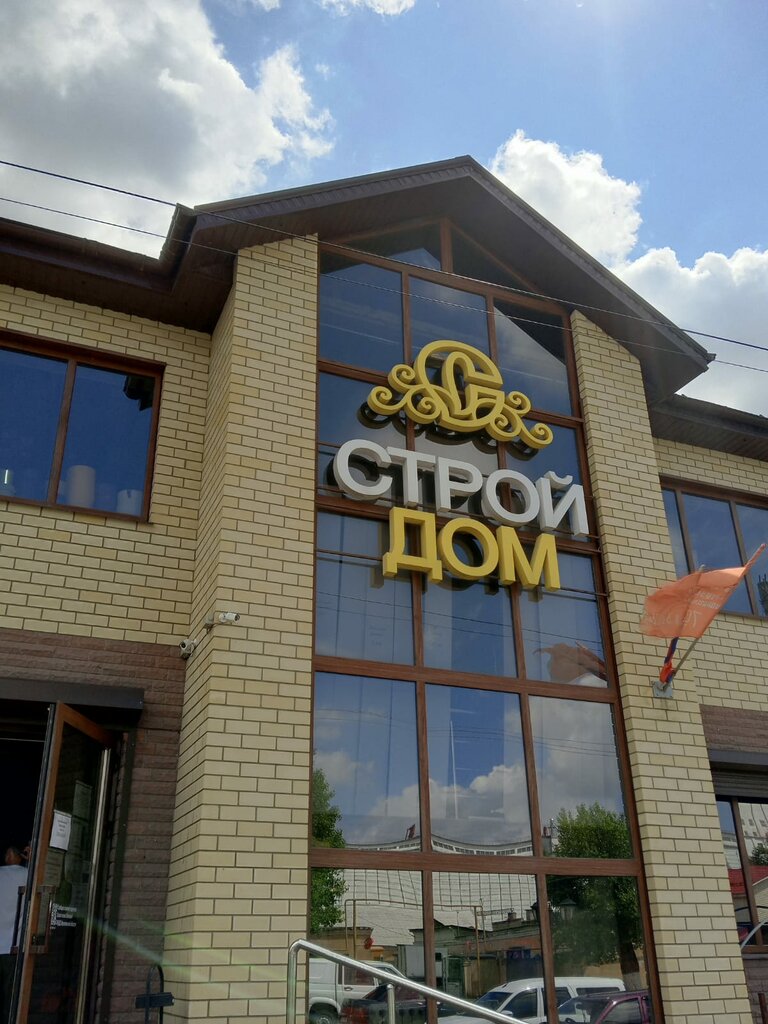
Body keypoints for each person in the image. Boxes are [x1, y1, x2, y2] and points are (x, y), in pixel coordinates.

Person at [0, 847, 27, 1023]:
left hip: (9, 947)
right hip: (13, 946)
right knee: (10, 999)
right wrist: (30, 860)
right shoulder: (28, 875)